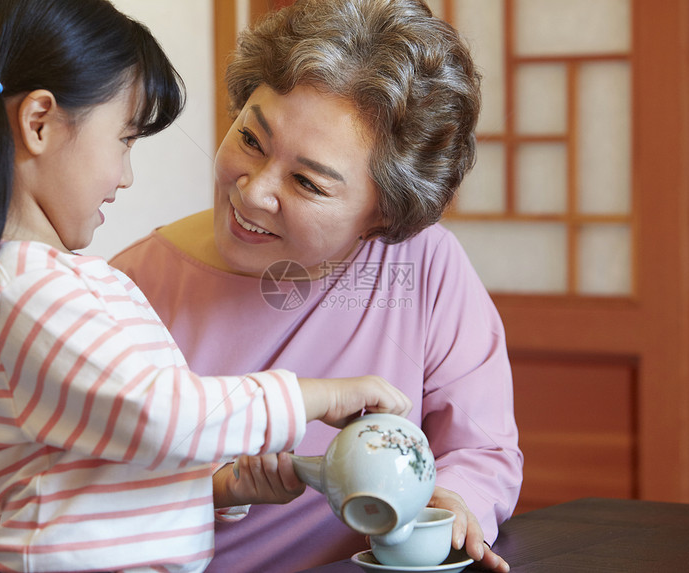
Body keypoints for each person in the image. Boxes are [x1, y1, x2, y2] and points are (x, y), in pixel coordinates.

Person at [0, 1, 412, 572]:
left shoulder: (61, 283)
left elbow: (110, 463)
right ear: (39, 123)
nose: (126, 176)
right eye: (125, 140)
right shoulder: (24, 288)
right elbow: (154, 414)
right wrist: (316, 396)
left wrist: (221, 487)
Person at [110, 0, 523, 571]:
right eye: (251, 140)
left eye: (306, 181)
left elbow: (480, 448)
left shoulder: (423, 267)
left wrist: (450, 504)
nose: (253, 192)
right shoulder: (129, 288)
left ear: (384, 216)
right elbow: (89, 500)